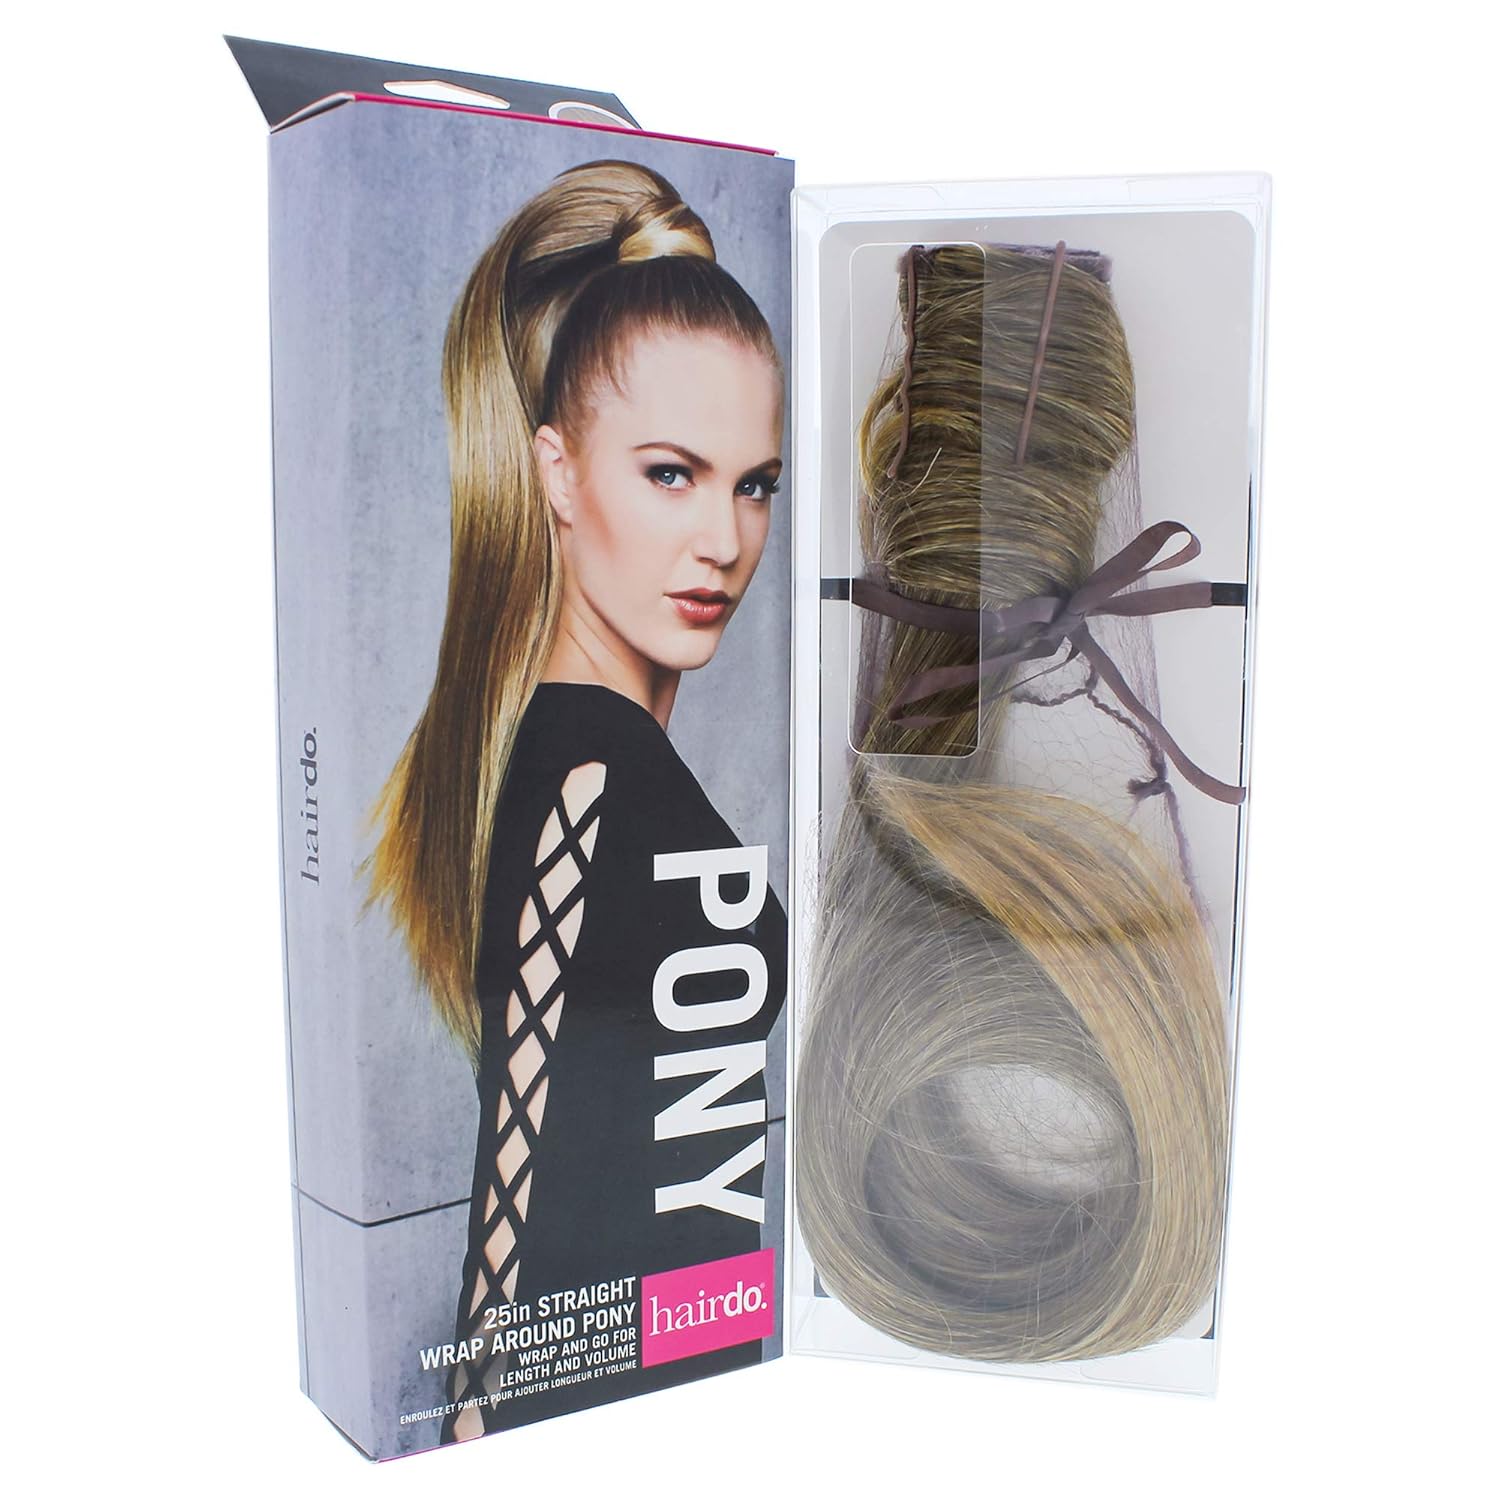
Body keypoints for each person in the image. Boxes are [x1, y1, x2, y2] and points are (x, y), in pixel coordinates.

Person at [367, 159, 788, 1440]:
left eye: (755, 483)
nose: (725, 539)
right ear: (556, 471)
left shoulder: (572, 757)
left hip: (676, 1385)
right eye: (670, 473)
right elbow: (516, 1177)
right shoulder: (593, 773)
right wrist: (474, 1428)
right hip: (616, 1408)